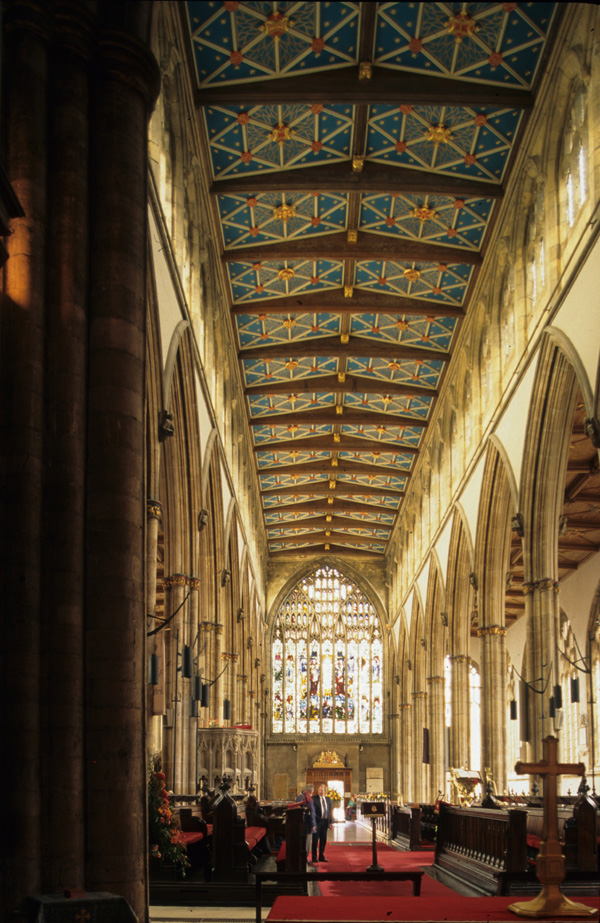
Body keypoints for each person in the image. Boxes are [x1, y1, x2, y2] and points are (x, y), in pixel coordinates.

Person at [296, 783, 317, 865]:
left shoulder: (300, 797)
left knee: (304, 842)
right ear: (311, 791)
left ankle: (303, 858)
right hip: (307, 825)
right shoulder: (307, 798)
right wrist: (313, 824)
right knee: (307, 843)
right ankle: (304, 858)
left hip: (301, 823)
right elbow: (311, 813)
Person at [312, 784, 333, 862]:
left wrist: (331, 822)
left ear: (325, 791)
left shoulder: (328, 799)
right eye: (320, 790)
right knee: (315, 840)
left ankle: (321, 856)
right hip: (317, 822)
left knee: (323, 840)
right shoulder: (314, 799)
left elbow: (330, 811)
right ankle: (314, 857)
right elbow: (312, 812)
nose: (321, 791)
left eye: (322, 790)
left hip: (325, 822)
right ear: (318, 791)